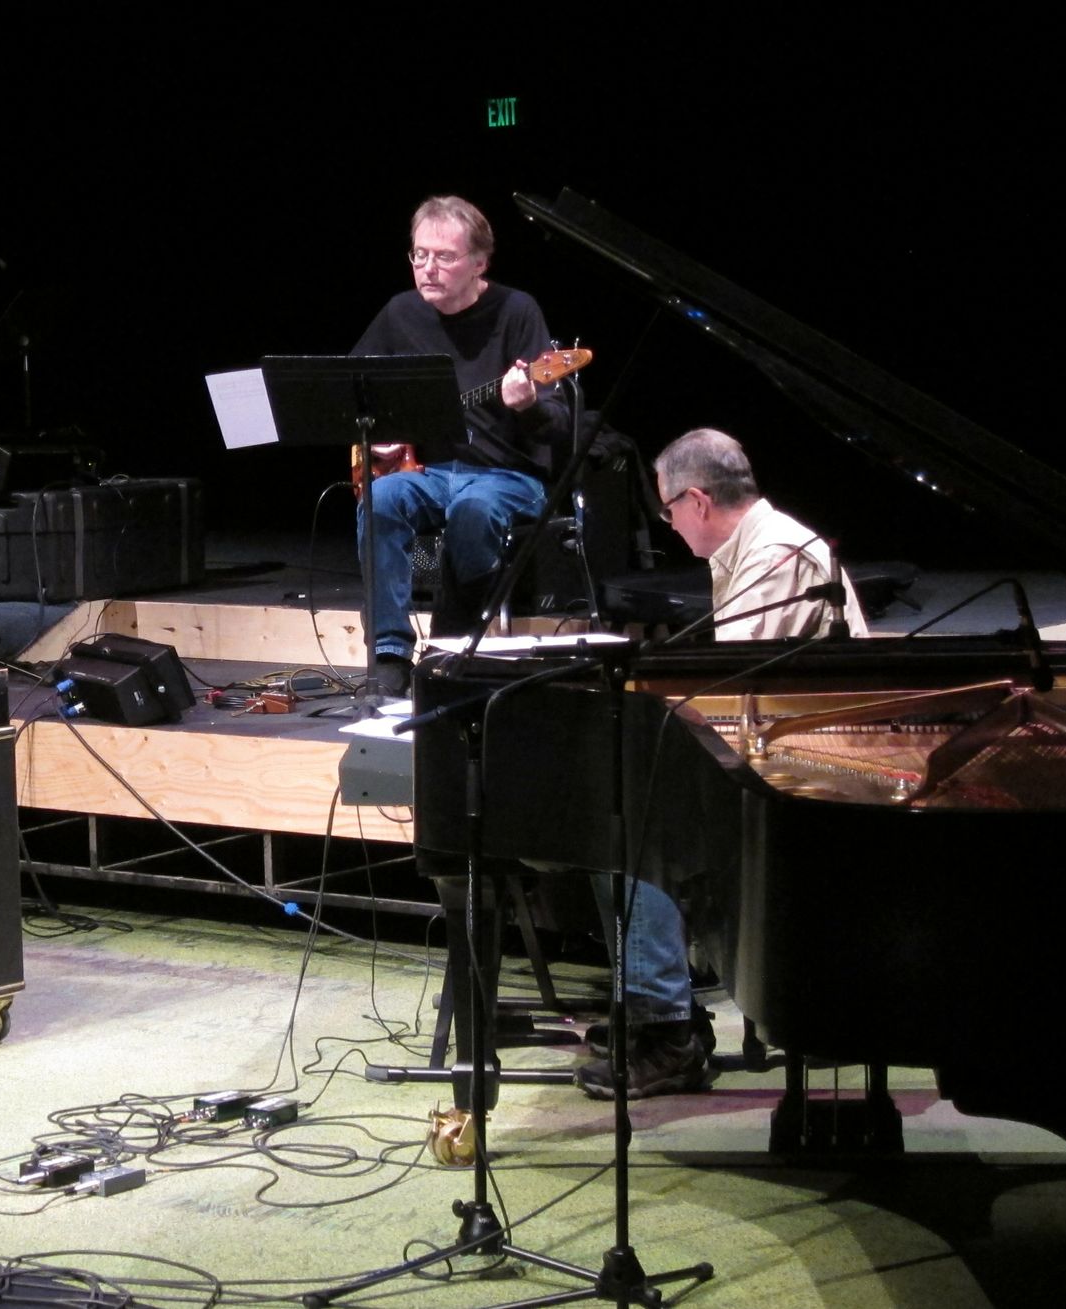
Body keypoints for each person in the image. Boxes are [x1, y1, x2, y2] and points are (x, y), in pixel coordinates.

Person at [574, 427, 865, 1100]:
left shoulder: (777, 552)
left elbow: (742, 698)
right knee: (610, 797)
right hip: (773, 753)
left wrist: (655, 707)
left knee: (627, 823)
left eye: (669, 509)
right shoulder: (745, 550)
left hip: (807, 777)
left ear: (698, 501)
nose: (669, 524)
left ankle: (669, 1029)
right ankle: (655, 1012)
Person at [352, 195, 570, 695]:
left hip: (509, 477)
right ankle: (388, 655)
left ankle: (451, 649)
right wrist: (376, 431)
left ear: (479, 263)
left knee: (474, 508)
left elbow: (558, 423)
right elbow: (355, 390)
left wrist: (527, 403)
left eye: (444, 257)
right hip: (429, 471)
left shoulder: (517, 311)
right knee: (381, 499)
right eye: (419, 255)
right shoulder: (400, 313)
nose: (428, 268)